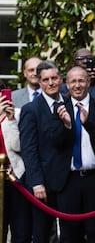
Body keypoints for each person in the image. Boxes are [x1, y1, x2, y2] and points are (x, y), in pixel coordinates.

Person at [53, 66, 95, 242]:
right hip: (68, 180)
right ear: (67, 84)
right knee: (69, 234)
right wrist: (67, 125)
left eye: (81, 80)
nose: (77, 85)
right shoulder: (59, 108)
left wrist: (88, 124)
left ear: (88, 82)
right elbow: (56, 144)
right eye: (73, 81)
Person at [19, 60, 74, 243]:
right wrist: (36, 183)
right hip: (43, 184)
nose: (51, 83)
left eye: (54, 78)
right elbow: (29, 149)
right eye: (46, 80)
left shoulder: (71, 103)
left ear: (61, 79)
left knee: (70, 233)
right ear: (40, 82)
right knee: (41, 234)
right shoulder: (31, 110)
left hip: (69, 180)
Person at [1, 86, 33, 243]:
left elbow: (19, 147)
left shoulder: (18, 114)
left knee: (20, 230)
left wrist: (12, 120)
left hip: (16, 178)